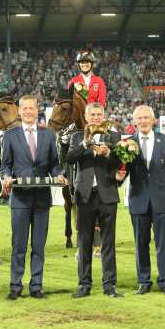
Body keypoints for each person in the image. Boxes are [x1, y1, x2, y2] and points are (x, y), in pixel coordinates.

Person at [1, 95, 67, 300]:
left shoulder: (48, 135)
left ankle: (36, 286)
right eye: (25, 108)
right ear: (19, 112)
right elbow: (6, 165)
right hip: (20, 198)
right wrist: (6, 177)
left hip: (41, 199)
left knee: (38, 245)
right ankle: (15, 286)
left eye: (32, 108)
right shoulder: (10, 135)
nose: (29, 111)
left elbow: (54, 164)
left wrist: (58, 173)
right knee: (18, 245)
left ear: (38, 111)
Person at [117, 105, 165, 295]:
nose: (143, 121)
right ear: (134, 122)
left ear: (153, 121)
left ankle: (164, 281)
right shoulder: (126, 143)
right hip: (138, 200)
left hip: (161, 201)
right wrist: (118, 178)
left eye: (146, 117)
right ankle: (144, 281)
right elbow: (122, 171)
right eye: (139, 118)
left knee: (162, 243)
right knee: (140, 244)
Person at [66, 102, 123, 298]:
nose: (96, 117)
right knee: (84, 242)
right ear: (86, 116)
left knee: (108, 242)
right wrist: (85, 143)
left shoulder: (114, 136)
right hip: (84, 196)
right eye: (93, 114)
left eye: (99, 114)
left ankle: (109, 286)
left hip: (107, 194)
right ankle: (84, 285)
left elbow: (121, 162)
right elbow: (69, 159)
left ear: (103, 116)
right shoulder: (76, 136)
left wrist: (108, 153)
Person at [68, 50, 107, 255]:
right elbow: (68, 104)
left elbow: (102, 101)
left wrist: (95, 117)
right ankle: (64, 174)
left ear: (91, 64)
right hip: (78, 124)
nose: (84, 64)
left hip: (96, 121)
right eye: (81, 62)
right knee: (63, 142)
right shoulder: (73, 81)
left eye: (87, 62)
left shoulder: (98, 81)